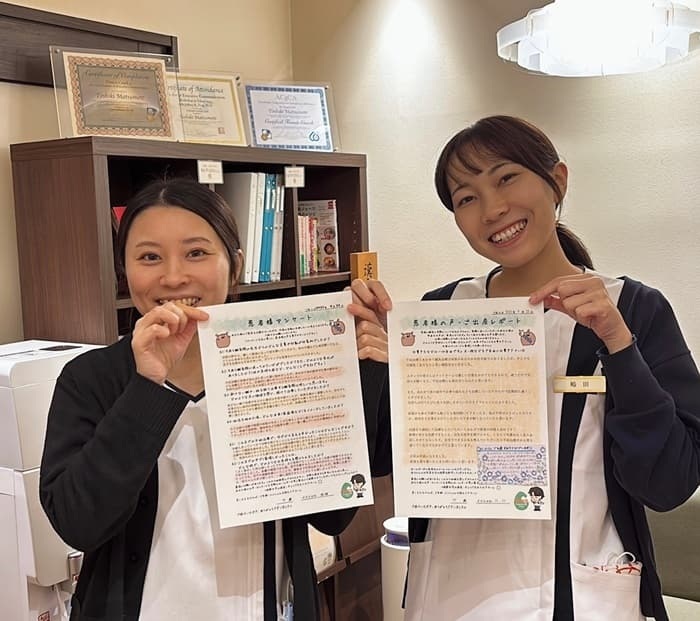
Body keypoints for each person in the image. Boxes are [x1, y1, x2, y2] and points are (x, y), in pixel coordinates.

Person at [348, 115, 700, 620]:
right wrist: (375, 365)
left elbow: (669, 484)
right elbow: (389, 460)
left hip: (583, 597)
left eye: (507, 177)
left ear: (557, 181)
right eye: (466, 198)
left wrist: (619, 345)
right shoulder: (441, 312)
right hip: (451, 593)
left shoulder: (634, 309)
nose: (493, 209)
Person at [40, 177, 390, 621]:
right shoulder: (90, 378)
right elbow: (77, 523)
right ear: (123, 270)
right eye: (149, 257)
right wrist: (148, 387)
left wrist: (362, 370)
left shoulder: (282, 365)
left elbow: (332, 518)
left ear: (235, 265)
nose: (173, 277)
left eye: (196, 253)